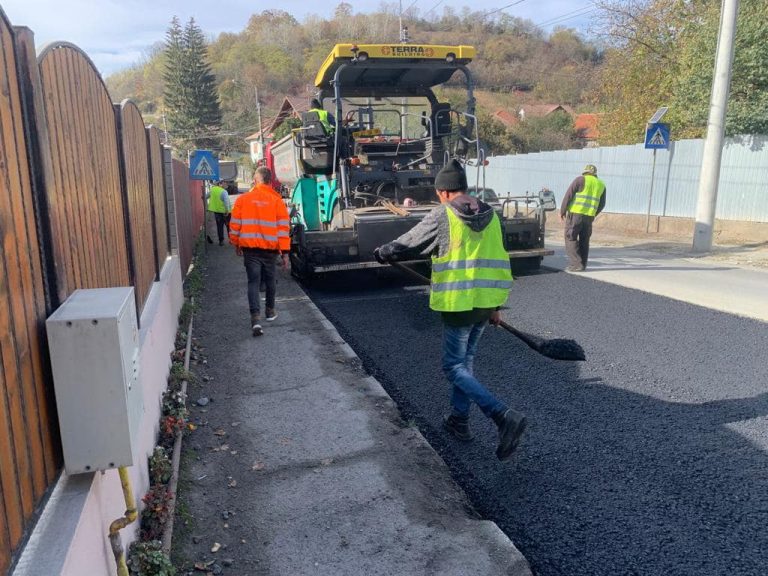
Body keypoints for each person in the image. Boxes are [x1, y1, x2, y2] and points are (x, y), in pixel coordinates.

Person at [374, 160, 528, 461]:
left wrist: (383, 252)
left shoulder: (444, 214)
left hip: (460, 304)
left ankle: (502, 415)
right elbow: (495, 258)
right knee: (465, 364)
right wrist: (494, 307)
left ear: (443, 192)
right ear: (465, 188)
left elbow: (408, 243)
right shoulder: (493, 215)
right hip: (486, 302)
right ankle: (459, 420)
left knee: (453, 367)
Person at [229, 167, 290, 336]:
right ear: (270, 181)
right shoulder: (277, 201)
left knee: (253, 282)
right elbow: (283, 229)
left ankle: (255, 320)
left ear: (255, 180)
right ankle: (270, 311)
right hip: (270, 250)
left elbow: (234, 225)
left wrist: (236, 244)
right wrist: (285, 253)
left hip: (250, 249)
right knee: (270, 280)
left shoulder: (243, 199)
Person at [560, 164, 606, 272]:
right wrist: (593, 213)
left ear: (585, 172)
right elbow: (602, 204)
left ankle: (576, 264)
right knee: (584, 240)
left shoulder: (580, 180)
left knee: (570, 237)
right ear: (595, 173)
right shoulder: (601, 185)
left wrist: (562, 211)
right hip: (589, 217)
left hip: (575, 215)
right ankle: (583, 264)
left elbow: (568, 195)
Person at [207, 180, 231, 246]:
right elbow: (226, 202)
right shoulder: (224, 191)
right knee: (229, 226)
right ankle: (231, 240)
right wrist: (227, 211)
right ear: (220, 184)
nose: (226, 184)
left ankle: (221, 241)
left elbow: (206, 196)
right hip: (225, 213)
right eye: (224, 183)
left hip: (217, 213)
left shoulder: (213, 190)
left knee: (219, 227)